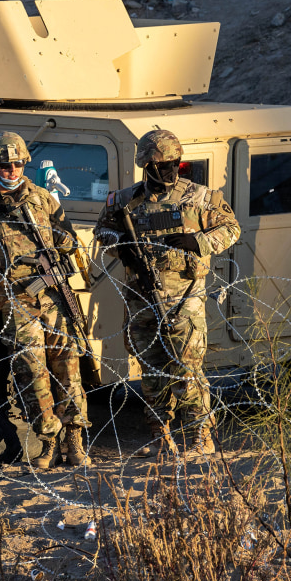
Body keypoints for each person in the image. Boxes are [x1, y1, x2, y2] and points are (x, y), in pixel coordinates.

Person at [0, 131, 92, 469]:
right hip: (16, 297)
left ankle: (75, 439)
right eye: (3, 165)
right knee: (31, 370)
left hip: (54, 294)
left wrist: (63, 241)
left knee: (67, 368)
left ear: (24, 163)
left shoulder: (44, 199)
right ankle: (48, 441)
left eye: (15, 164)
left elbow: (70, 239)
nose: (10, 170)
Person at [94, 129, 241, 457]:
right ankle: (161, 436)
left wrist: (199, 242)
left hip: (184, 298)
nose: (170, 171)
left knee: (187, 370)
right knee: (153, 374)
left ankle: (200, 436)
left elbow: (231, 229)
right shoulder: (125, 201)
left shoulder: (200, 198)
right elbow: (102, 229)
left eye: (174, 163)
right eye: (161, 166)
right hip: (142, 298)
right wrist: (122, 247)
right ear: (145, 166)